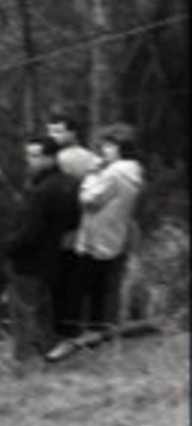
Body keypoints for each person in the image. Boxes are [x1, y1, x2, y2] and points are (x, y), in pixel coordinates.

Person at [6, 137, 81, 365]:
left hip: (31, 258)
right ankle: (45, 352)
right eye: (28, 155)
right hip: (56, 254)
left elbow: (31, 230)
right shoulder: (70, 183)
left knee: (26, 310)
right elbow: (73, 220)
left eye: (35, 155)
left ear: (50, 157)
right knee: (43, 309)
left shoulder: (41, 191)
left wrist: (10, 245)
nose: (29, 161)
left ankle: (26, 359)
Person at [74, 124, 144, 333]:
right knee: (108, 287)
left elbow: (89, 199)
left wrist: (91, 177)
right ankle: (106, 328)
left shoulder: (113, 173)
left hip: (95, 236)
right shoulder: (134, 171)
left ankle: (91, 331)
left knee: (90, 289)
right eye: (104, 146)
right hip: (115, 232)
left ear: (122, 148)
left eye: (110, 146)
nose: (104, 150)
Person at [45, 113, 100, 338]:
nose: (53, 136)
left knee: (65, 281)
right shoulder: (92, 159)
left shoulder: (64, 159)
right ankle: (76, 326)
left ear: (73, 133)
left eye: (58, 131)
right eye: (51, 131)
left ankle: (65, 329)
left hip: (68, 226)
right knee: (77, 282)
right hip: (82, 227)